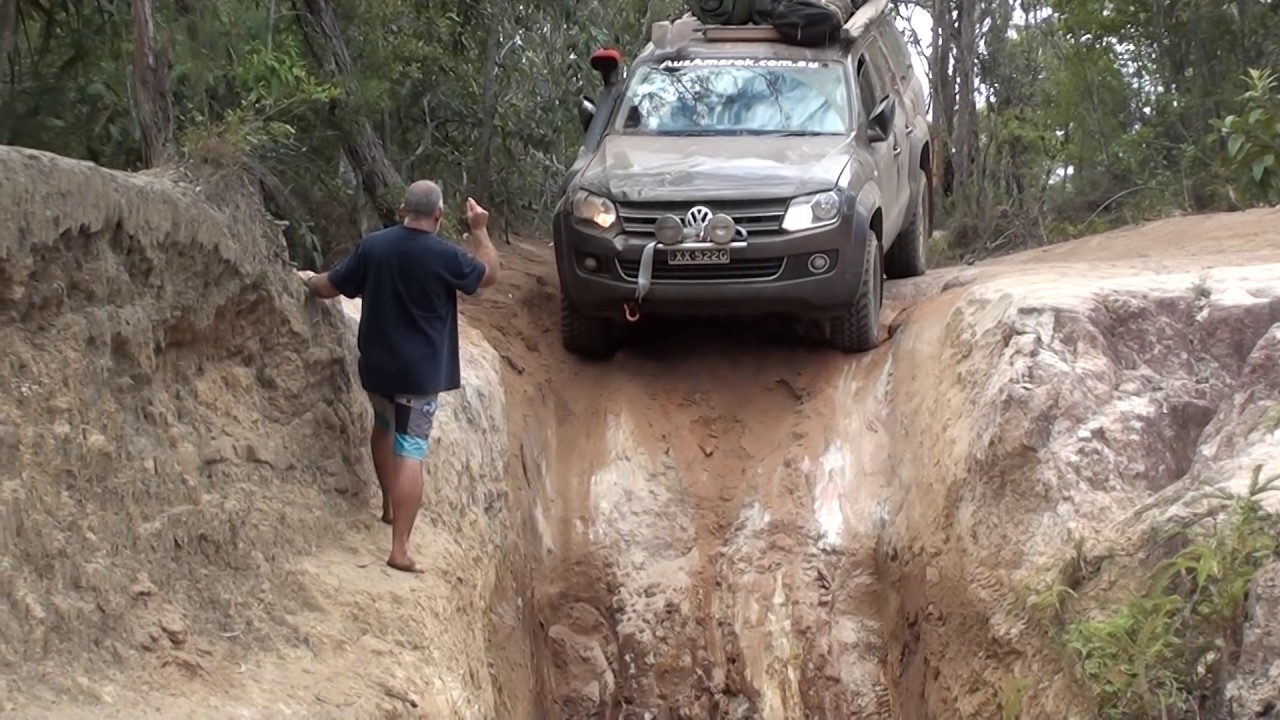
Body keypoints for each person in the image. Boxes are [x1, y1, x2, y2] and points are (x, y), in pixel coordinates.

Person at [298, 181, 500, 574]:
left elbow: (330, 285)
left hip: (377, 368)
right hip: (418, 376)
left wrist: (306, 282)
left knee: (383, 426)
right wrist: (479, 230)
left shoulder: (374, 246)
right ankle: (400, 549)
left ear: (403, 210)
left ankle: (389, 507)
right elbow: (489, 274)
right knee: (411, 450)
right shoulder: (444, 256)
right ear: (439, 215)